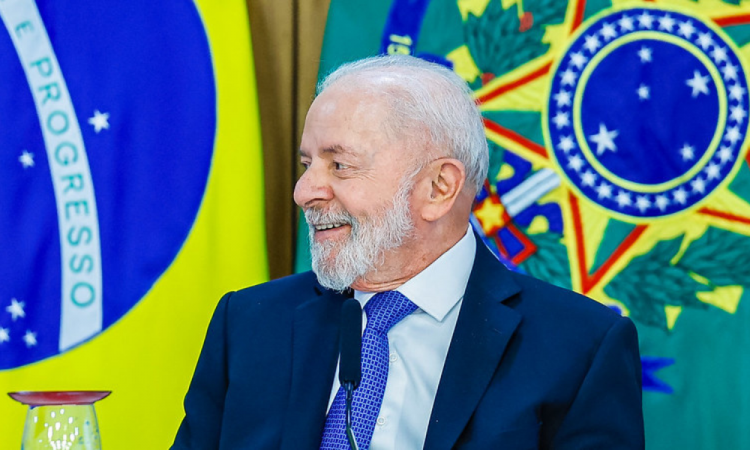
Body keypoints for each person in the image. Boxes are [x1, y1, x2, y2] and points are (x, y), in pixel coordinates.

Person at [172, 54, 644, 450]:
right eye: (306, 164)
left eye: (340, 165)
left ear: (439, 187)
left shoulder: (580, 346)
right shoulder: (250, 321)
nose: (304, 192)